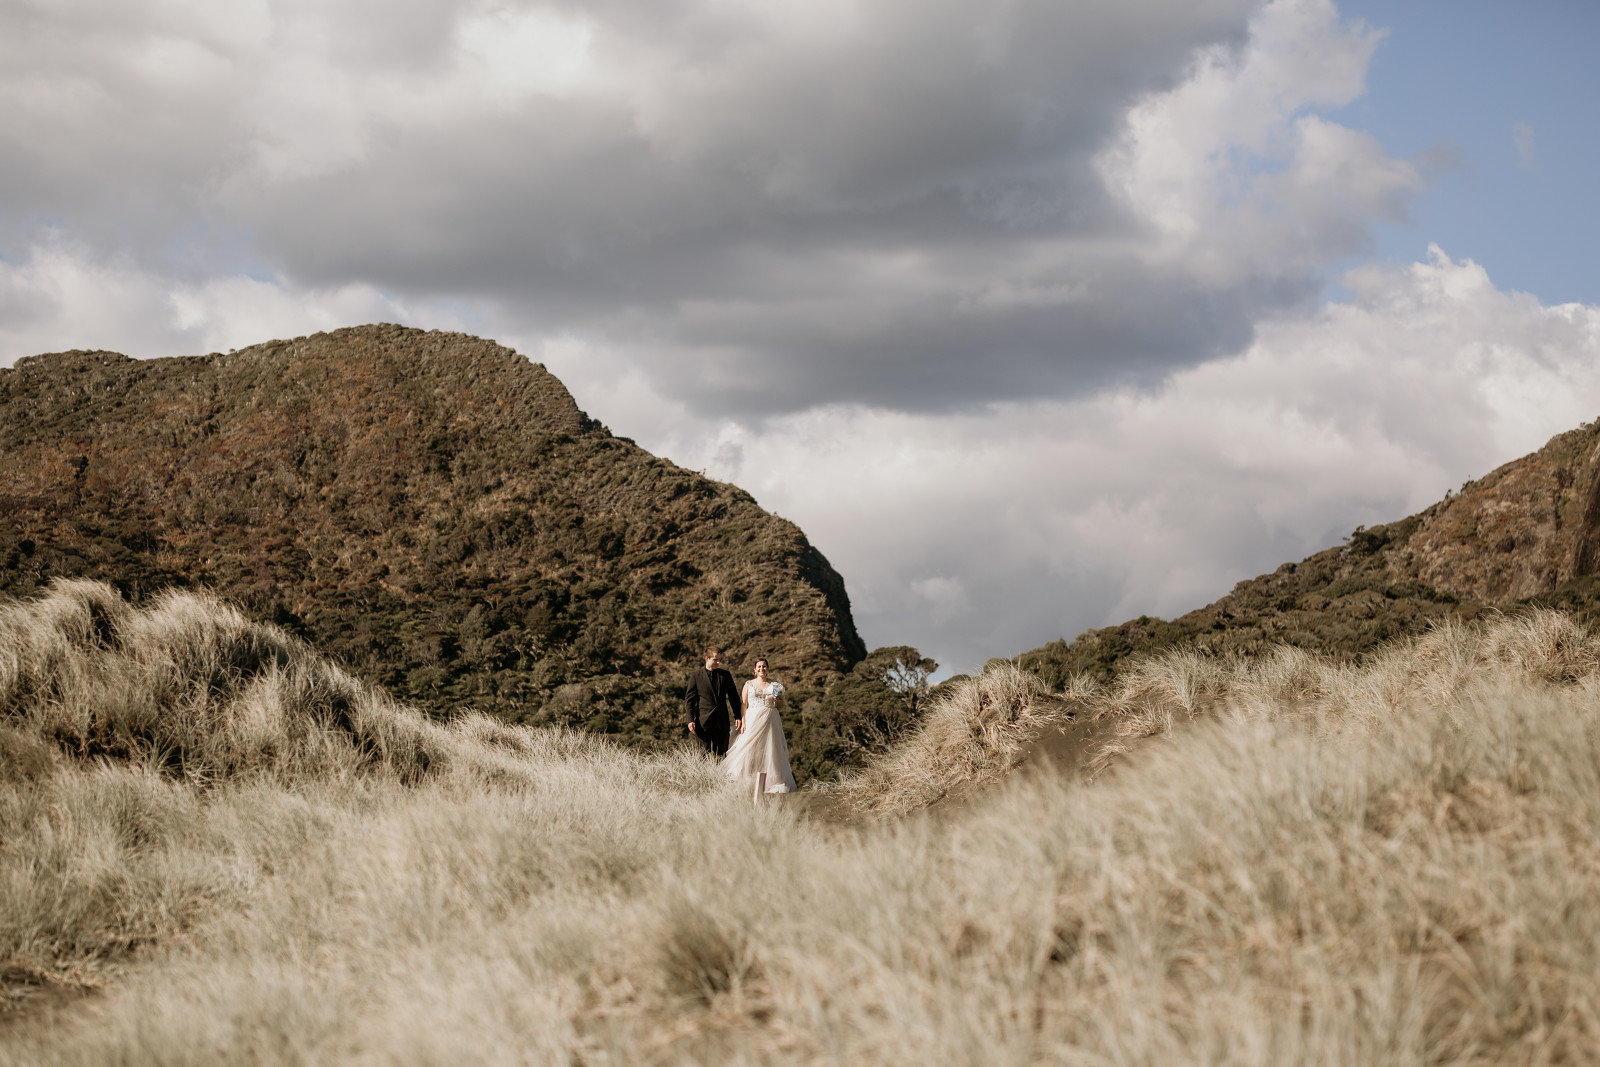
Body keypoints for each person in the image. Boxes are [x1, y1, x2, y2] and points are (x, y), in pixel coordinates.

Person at [721, 657, 797, 793]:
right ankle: (743, 781)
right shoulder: (748, 684)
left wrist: (777, 699)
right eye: (759, 666)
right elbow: (744, 705)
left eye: (764, 666)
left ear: (768, 668)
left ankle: (770, 781)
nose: (762, 669)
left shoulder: (775, 685)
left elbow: (781, 704)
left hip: (770, 719)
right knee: (748, 748)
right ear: (755, 670)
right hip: (753, 719)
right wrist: (743, 721)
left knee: (771, 749)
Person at [684, 646, 741, 756]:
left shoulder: (725, 675)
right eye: (715, 659)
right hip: (702, 722)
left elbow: (734, 697)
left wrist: (738, 716)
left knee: (721, 755)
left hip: (722, 722)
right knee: (702, 755)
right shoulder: (696, 676)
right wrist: (690, 720)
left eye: (719, 659)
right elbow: (690, 700)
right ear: (707, 659)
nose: (718, 662)